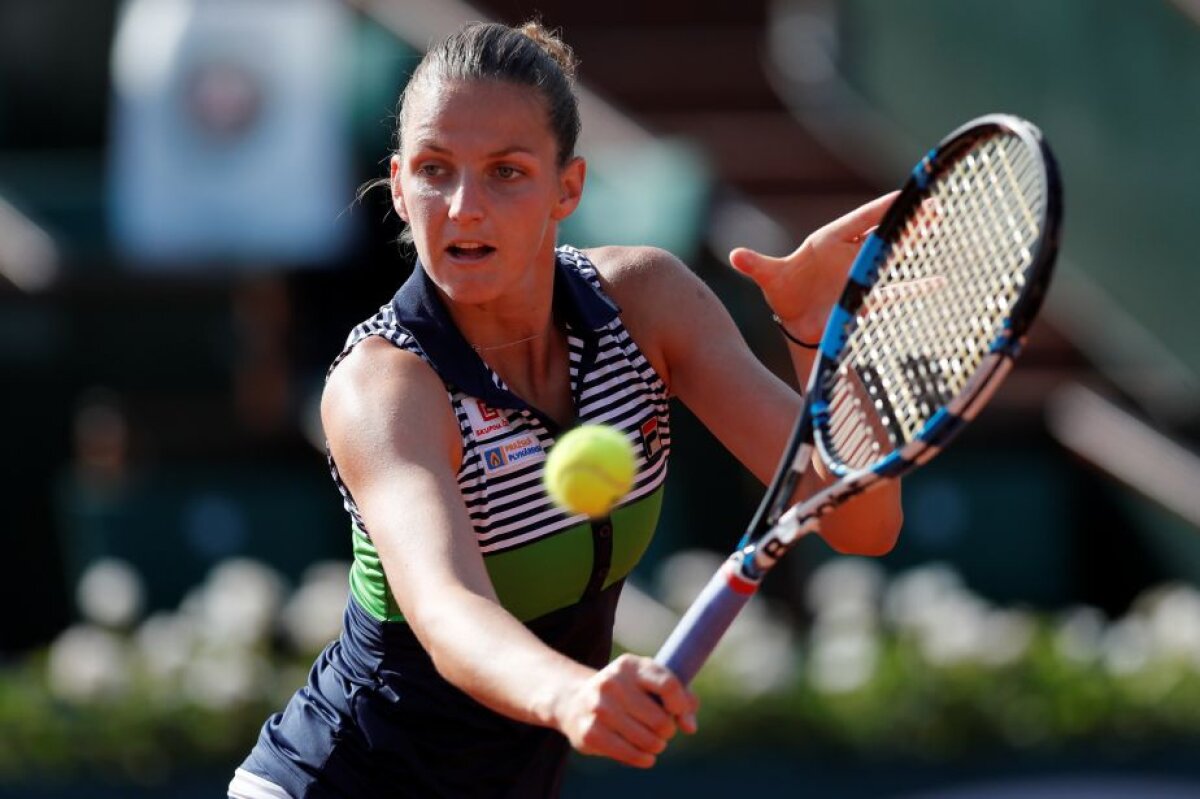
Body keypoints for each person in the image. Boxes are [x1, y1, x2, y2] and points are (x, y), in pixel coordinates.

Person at [229, 20, 902, 799]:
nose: (463, 207)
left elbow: (861, 522)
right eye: (433, 170)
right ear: (399, 187)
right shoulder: (383, 387)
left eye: (506, 172)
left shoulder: (649, 306)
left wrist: (826, 341)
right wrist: (570, 694)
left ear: (568, 188)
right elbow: (448, 612)